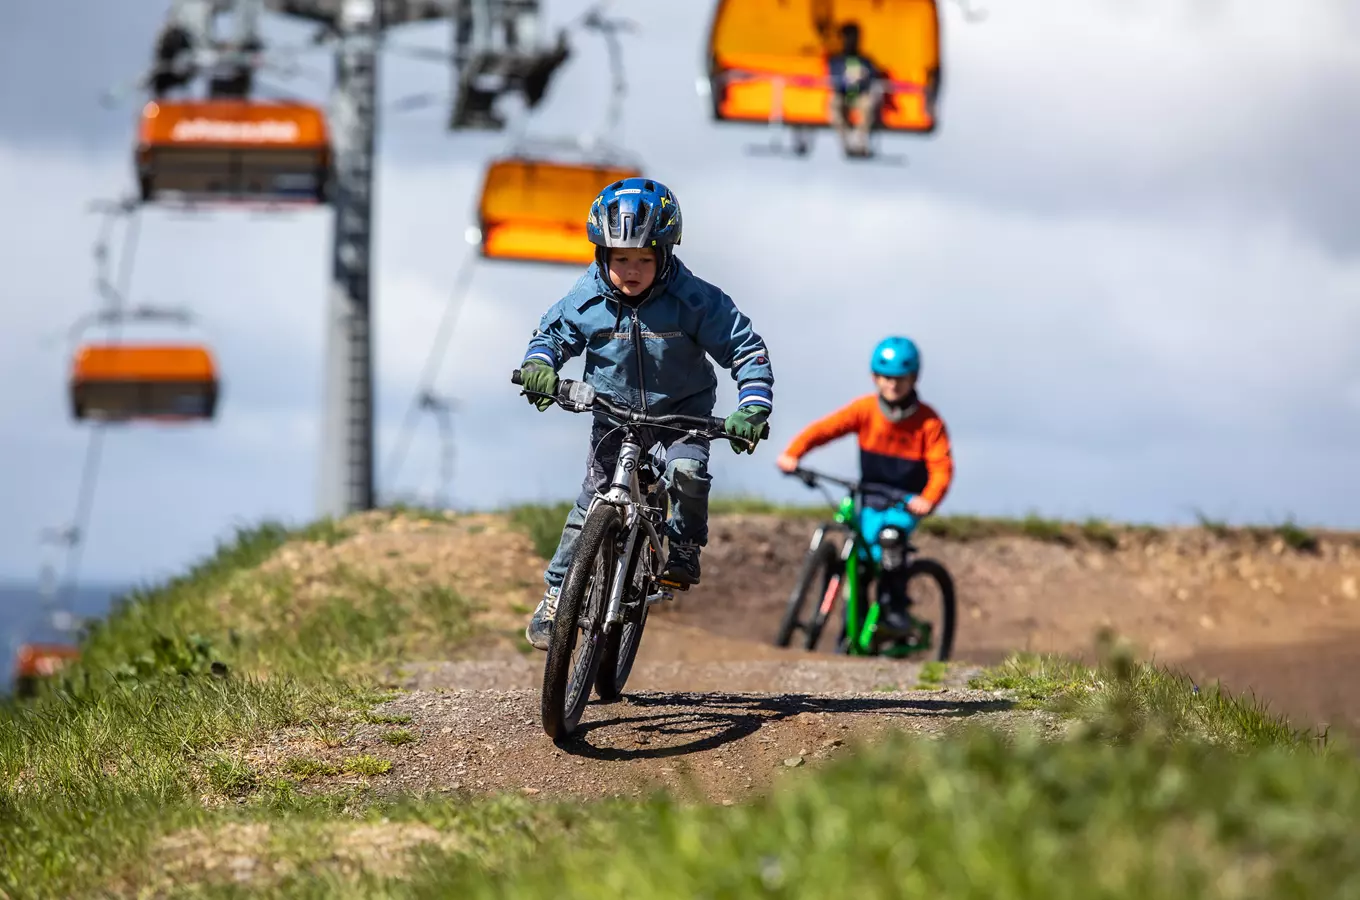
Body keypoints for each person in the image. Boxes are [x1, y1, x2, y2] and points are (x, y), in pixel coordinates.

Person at [517, 177, 776, 651]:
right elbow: (550, 336)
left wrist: (753, 406)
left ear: (666, 254)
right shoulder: (587, 298)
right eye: (620, 259)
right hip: (612, 412)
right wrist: (540, 367)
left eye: (643, 259)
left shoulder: (694, 299)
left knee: (687, 473)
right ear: (602, 255)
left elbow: (746, 348)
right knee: (592, 500)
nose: (631, 270)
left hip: (683, 412)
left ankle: (683, 545)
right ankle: (557, 596)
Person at [776, 336, 953, 631]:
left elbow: (942, 467)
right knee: (858, 559)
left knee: (890, 540)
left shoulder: (929, 423)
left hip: (905, 504)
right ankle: (852, 626)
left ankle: (894, 611)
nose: (893, 385)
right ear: (875, 377)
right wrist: (793, 454)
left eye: (901, 379)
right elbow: (825, 429)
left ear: (914, 379)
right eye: (886, 378)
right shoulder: (865, 409)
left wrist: (929, 499)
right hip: (869, 498)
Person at [825, 21, 886, 158]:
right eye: (848, 38)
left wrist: (864, 76)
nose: (851, 42)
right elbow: (832, 78)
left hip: (861, 95)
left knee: (868, 103)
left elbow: (874, 76)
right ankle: (846, 139)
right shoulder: (836, 60)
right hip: (843, 95)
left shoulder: (865, 61)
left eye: (854, 38)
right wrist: (846, 79)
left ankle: (861, 139)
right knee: (834, 104)